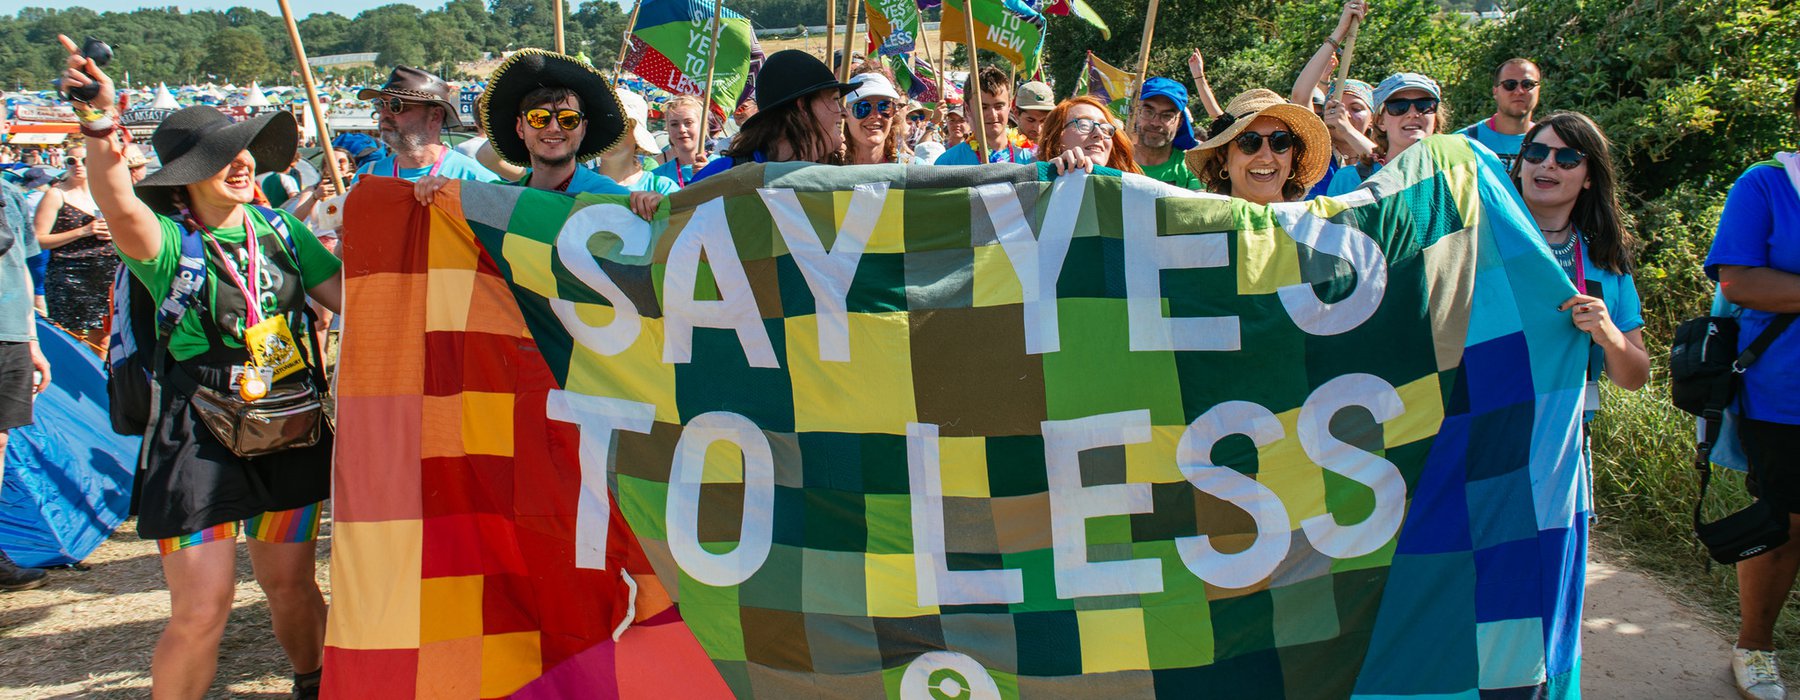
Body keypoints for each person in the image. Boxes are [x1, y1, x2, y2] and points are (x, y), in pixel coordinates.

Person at [57, 34, 341, 700]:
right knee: (202, 608)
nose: (241, 163)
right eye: (223, 156)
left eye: (244, 150)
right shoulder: (164, 244)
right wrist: (99, 124)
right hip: (197, 436)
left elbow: (357, 300)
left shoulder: (281, 231)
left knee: (294, 587)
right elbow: (118, 202)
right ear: (188, 172)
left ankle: (316, 683)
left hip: (286, 422)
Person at [1708, 85, 1800, 700]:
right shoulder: (1768, 184)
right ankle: (1756, 648)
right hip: (1785, 390)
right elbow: (1740, 281)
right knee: (1787, 520)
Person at [416, 49, 661, 221]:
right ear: (520, 128)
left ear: (583, 128)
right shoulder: (502, 201)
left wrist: (655, 210)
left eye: (567, 119)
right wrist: (441, 191)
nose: (553, 127)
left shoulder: (613, 198)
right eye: (538, 118)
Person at [1513, 111, 1648, 405]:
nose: (1548, 163)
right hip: (1489, 434)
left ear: (1589, 178)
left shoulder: (1606, 261)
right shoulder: (1482, 239)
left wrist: (1608, 334)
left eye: (1567, 158)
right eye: (1535, 153)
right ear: (1521, 165)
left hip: (1569, 438)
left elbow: (1635, 379)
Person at [0, 171, 52, 593]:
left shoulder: (9, 193)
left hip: (11, 332)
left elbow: (23, 265)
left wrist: (32, 337)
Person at [689, 50, 853, 183]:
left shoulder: (840, 178)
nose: (844, 112)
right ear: (802, 106)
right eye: (835, 100)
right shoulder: (722, 178)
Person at [1184, 88, 1331, 206]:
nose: (1266, 157)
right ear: (1223, 157)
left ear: (1293, 155)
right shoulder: (1201, 233)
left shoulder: (1315, 229)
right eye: (1249, 142)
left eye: (1280, 142)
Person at [354, 65, 500, 184]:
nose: (384, 114)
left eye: (395, 105)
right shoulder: (366, 177)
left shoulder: (475, 180)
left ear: (435, 116)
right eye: (380, 104)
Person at [33, 145, 115, 344]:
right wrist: (83, 231)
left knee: (104, 338)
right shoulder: (56, 194)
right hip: (69, 273)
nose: (78, 165)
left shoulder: (105, 190)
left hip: (107, 272)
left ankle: (101, 376)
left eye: (85, 160)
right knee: (72, 338)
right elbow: (37, 240)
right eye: (72, 160)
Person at [1323, 72, 1450, 196]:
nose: (1413, 113)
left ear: (1435, 119)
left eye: (1424, 105)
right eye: (1399, 106)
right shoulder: (1349, 179)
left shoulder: (1454, 176)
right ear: (1380, 121)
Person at [935, 66, 1036, 165]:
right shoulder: (948, 163)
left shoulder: (1034, 158)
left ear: (1009, 105)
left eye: (999, 106)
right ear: (967, 109)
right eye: (983, 107)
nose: (992, 115)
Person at [1460, 58, 1543, 171]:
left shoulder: (1547, 142)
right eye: (1510, 84)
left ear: (1538, 90)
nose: (1519, 91)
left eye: (1527, 84)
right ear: (1495, 92)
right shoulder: (1465, 141)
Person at [602, 89, 680, 195]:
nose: (608, 131)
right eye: (600, 123)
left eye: (619, 125)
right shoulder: (575, 183)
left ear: (637, 135)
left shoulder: (662, 189)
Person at [1040, 95, 1142, 176]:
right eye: (1084, 125)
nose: (1099, 134)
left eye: (1105, 129)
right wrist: (1047, 175)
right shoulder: (1036, 185)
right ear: (1056, 139)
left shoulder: (1130, 191)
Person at [1131, 77, 1202, 189]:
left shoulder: (1192, 168)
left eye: (1167, 116)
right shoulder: (1115, 160)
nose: (1155, 122)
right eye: (1148, 112)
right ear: (1136, 114)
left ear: (1179, 122)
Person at [16, 167, 57, 314]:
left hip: (20, 244)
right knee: (39, 289)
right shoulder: (46, 197)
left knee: (27, 284)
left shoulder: (20, 195)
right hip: (39, 246)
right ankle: (43, 320)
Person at [843, 72, 906, 165]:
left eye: (884, 106)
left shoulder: (913, 169)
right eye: (862, 107)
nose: (875, 115)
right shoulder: (826, 171)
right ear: (844, 114)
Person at [1012, 80, 1055, 148]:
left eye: (1043, 121)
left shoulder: (1058, 148)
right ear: (1016, 113)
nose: (1037, 129)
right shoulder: (1001, 146)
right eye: (1031, 120)